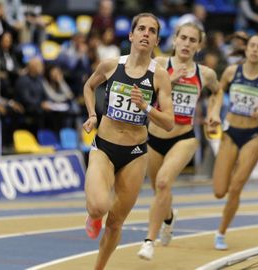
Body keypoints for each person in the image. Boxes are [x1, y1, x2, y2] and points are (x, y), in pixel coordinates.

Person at [82, 13, 174, 270]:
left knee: (115, 223)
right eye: (141, 29)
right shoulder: (111, 65)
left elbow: (168, 122)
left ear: (156, 39)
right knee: (99, 207)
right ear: (131, 35)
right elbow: (89, 87)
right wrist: (92, 115)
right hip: (104, 147)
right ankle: (93, 216)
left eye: (152, 31)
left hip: (135, 153)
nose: (146, 33)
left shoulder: (159, 77)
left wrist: (146, 107)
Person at [137, 22, 222, 261]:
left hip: (184, 137)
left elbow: (218, 91)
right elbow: (144, 96)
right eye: (183, 38)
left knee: (164, 183)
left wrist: (215, 113)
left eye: (192, 40)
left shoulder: (205, 73)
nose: (186, 43)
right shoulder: (160, 65)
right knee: (158, 190)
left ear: (199, 46)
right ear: (174, 40)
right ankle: (169, 217)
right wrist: (171, 81)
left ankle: (148, 242)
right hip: (154, 137)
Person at [212, 33, 258, 250]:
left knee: (236, 187)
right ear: (246, 49)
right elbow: (217, 92)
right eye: (251, 45)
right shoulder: (232, 71)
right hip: (231, 132)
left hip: (253, 135)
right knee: (219, 191)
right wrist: (214, 112)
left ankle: (221, 232)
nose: (254, 49)